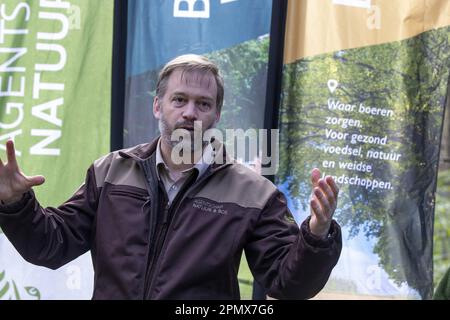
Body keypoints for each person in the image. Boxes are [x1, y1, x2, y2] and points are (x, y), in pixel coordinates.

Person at [0, 54, 342, 300]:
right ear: (157, 106)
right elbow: (49, 246)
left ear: (216, 114)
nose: (190, 112)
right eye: (179, 99)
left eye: (203, 104)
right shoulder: (110, 172)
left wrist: (316, 235)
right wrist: (14, 204)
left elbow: (288, 284)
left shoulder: (254, 194)